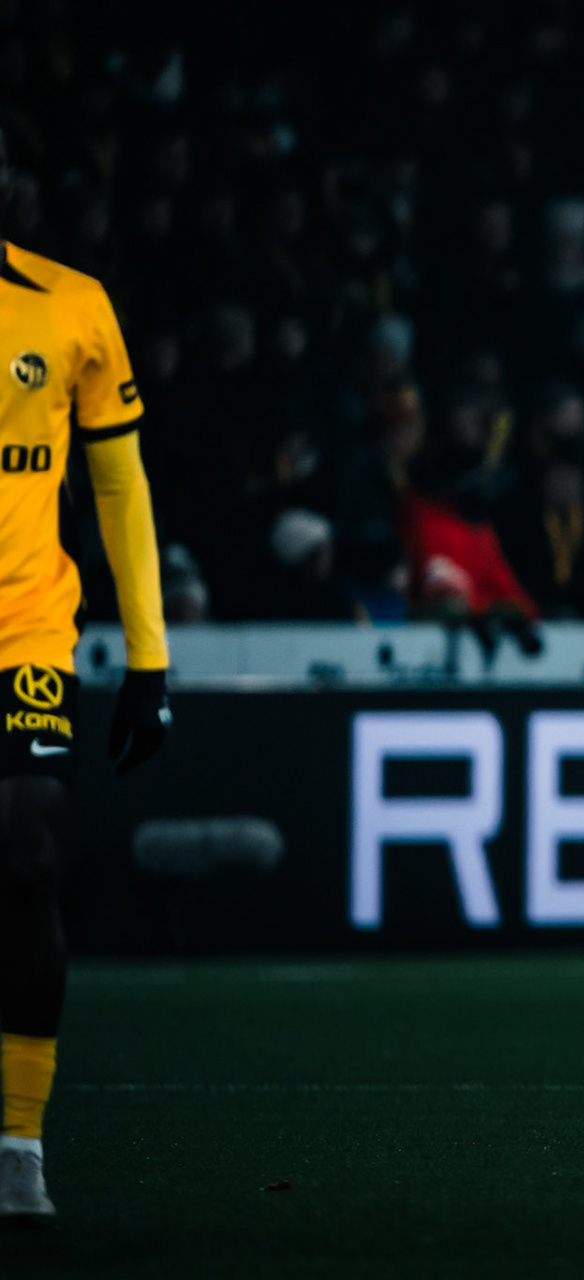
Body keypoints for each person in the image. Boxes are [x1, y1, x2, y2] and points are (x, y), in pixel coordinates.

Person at [0, 127, 173, 1222]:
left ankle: (19, 1144)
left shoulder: (69, 306)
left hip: (25, 637)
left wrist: (149, 657)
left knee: (23, 847)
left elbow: (119, 488)